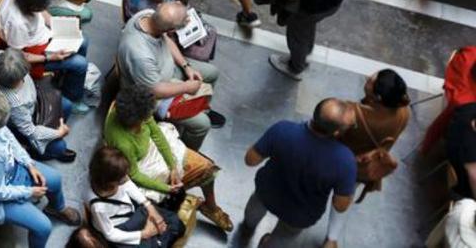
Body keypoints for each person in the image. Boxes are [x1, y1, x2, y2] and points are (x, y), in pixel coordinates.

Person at [0, 92, 82, 248]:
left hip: (5, 170)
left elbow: (8, 137)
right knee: (43, 227)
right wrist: (29, 192)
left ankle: (56, 208)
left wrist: (29, 164)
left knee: (55, 179)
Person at [104, 84, 233, 231]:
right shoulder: (123, 143)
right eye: (147, 116)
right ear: (137, 120)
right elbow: (134, 174)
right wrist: (166, 188)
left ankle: (210, 207)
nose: (149, 118)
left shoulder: (137, 111)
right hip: (141, 165)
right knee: (171, 191)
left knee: (207, 167)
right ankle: (180, 198)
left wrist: (172, 166)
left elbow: (156, 134)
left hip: (150, 148)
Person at [240, 99, 356, 245]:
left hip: (266, 193)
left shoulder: (282, 130)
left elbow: (250, 160)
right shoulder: (345, 161)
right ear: (337, 132)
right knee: (284, 237)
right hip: (300, 215)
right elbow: (341, 205)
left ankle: (247, 228)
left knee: (253, 211)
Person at [117, 1, 221, 151]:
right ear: (172, 28)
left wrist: (186, 66)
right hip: (153, 94)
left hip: (166, 70)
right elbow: (155, 90)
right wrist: (186, 87)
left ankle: (201, 105)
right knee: (202, 125)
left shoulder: (148, 16)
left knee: (212, 72)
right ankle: (185, 153)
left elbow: (166, 39)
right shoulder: (139, 54)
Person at [0, 0, 91, 108]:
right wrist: (49, 57)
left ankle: (70, 77)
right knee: (80, 64)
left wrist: (54, 23)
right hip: (33, 53)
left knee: (83, 41)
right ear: (32, 7)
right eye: (40, 7)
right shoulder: (17, 24)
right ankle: (72, 96)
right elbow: (18, 57)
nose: (43, 9)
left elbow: (42, 12)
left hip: (41, 36)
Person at [0, 47, 77, 162]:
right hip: (26, 120)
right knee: (60, 147)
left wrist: (49, 57)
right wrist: (58, 133)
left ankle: (53, 134)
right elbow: (30, 131)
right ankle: (31, 150)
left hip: (34, 102)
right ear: (17, 79)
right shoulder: (15, 103)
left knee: (67, 105)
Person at [84, 145, 184, 247]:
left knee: (177, 224)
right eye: (123, 179)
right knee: (157, 239)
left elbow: (129, 185)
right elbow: (110, 234)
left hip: (134, 212)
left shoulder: (116, 178)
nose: (126, 179)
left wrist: (150, 208)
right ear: (112, 183)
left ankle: (158, 240)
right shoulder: (98, 207)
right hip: (122, 229)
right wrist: (144, 234)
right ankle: (158, 241)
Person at [338, 69, 410, 208]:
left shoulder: (353, 113)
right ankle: (334, 230)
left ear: (377, 97)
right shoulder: (404, 111)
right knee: (346, 195)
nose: (369, 77)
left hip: (342, 162)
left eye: (371, 81)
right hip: (365, 167)